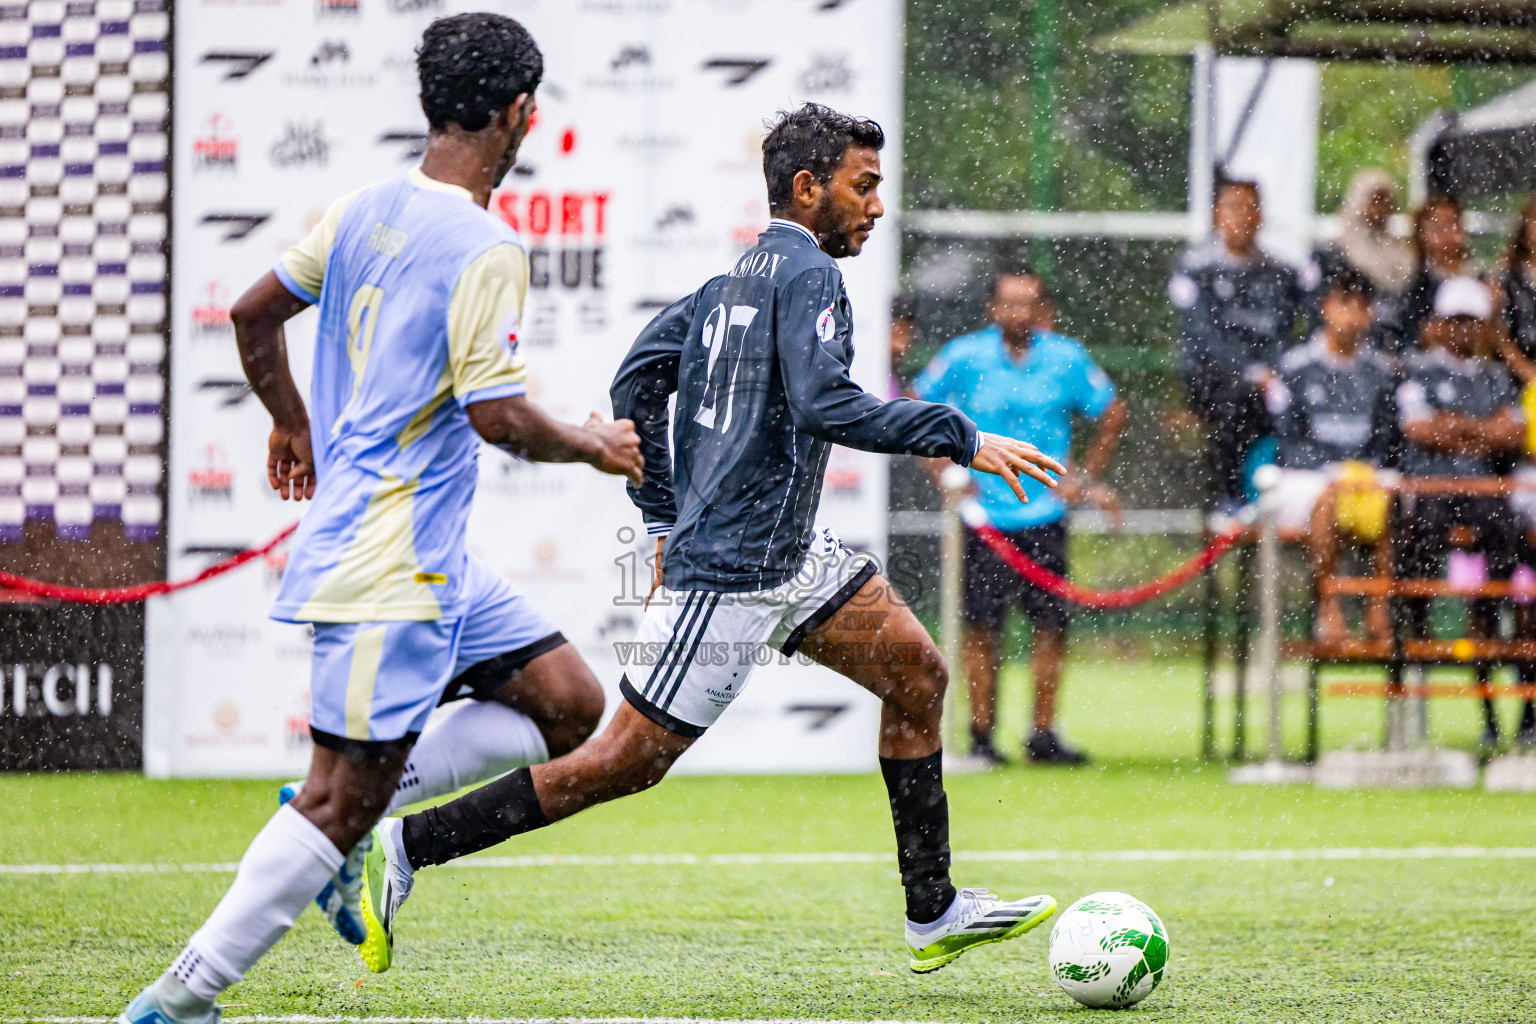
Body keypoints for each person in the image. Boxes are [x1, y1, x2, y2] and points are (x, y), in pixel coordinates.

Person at [352, 104, 1068, 979]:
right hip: (729, 571)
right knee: (618, 763)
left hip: (790, 556)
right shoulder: (807, 275)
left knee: (917, 674)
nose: (877, 207)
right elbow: (824, 402)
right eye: (864, 186)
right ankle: (408, 844)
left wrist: (658, 510)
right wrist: (961, 435)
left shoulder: (732, 280)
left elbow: (637, 375)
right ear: (808, 190)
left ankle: (932, 909)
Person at [117, 15, 645, 1023]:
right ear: (522, 114)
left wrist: (290, 423)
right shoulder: (488, 242)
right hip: (389, 559)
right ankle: (180, 999)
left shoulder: (366, 207)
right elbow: (497, 416)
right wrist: (592, 442)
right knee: (333, 798)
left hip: (432, 553)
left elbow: (252, 311)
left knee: (569, 702)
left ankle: (357, 826)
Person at [911, 266, 1125, 766]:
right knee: (982, 628)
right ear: (992, 307)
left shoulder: (1066, 357)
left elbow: (1112, 411)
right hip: (982, 516)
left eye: (1028, 303)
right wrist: (943, 469)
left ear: (1042, 308)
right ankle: (982, 735)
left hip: (1045, 512)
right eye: (1009, 302)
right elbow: (917, 403)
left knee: (1050, 627)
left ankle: (1043, 734)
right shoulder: (965, 356)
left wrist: (1084, 480)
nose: (1018, 313)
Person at [1395, 276, 1526, 751]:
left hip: (1480, 491)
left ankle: (1491, 612)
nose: (1464, 331)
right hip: (1432, 491)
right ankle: (1418, 626)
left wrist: (1458, 428)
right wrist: (1479, 430)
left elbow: (1511, 434)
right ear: (1438, 324)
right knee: (1419, 533)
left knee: (1508, 531)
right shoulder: (1417, 370)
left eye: (1473, 322)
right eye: (1456, 321)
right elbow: (1419, 429)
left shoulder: (1493, 377)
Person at [1266, 265, 1399, 642]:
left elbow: (1385, 441)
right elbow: (1287, 441)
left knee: (1391, 501)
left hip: (1364, 478)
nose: (1352, 314)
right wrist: (1333, 472)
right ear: (1325, 307)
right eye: (1345, 303)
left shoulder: (1381, 372)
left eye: (1361, 305)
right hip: (1306, 478)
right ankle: (1329, 607)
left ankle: (1378, 610)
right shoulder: (1295, 368)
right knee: (1327, 498)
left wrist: (1360, 472)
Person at [1170, 176, 1307, 514]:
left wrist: (1273, 371)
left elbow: (1283, 332)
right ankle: (1230, 497)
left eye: (1250, 207)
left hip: (1268, 379)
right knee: (1238, 400)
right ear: (1216, 215)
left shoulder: (1279, 273)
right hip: (1212, 378)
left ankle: (1292, 494)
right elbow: (1202, 337)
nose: (1242, 216)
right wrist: (1251, 372)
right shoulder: (1196, 269)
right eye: (1233, 206)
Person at [1387, 194, 1475, 357]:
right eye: (1437, 226)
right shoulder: (1413, 283)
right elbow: (1401, 338)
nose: (1446, 233)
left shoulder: (1480, 279)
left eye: (1452, 224)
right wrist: (1425, 337)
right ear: (1421, 233)